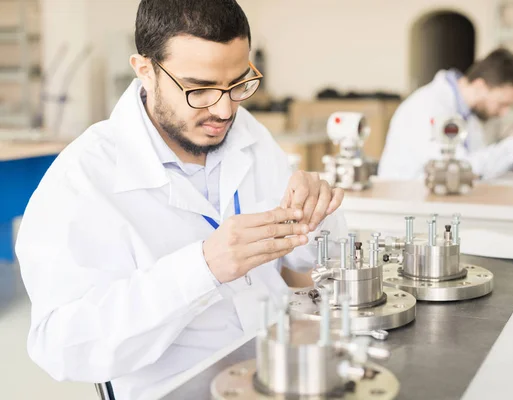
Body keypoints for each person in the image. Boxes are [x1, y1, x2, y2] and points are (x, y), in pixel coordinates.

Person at [15, 1, 346, 398]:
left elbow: (309, 260)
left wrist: (316, 216)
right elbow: (63, 347)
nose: (224, 109)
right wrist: (201, 268)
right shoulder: (83, 179)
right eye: (200, 89)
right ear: (146, 71)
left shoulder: (247, 134)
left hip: (280, 370)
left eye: (238, 83)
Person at [378, 48, 513, 181]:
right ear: (479, 86)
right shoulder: (430, 106)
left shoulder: (468, 114)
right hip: (406, 206)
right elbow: (459, 171)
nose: (504, 113)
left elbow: (482, 167)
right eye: (502, 104)